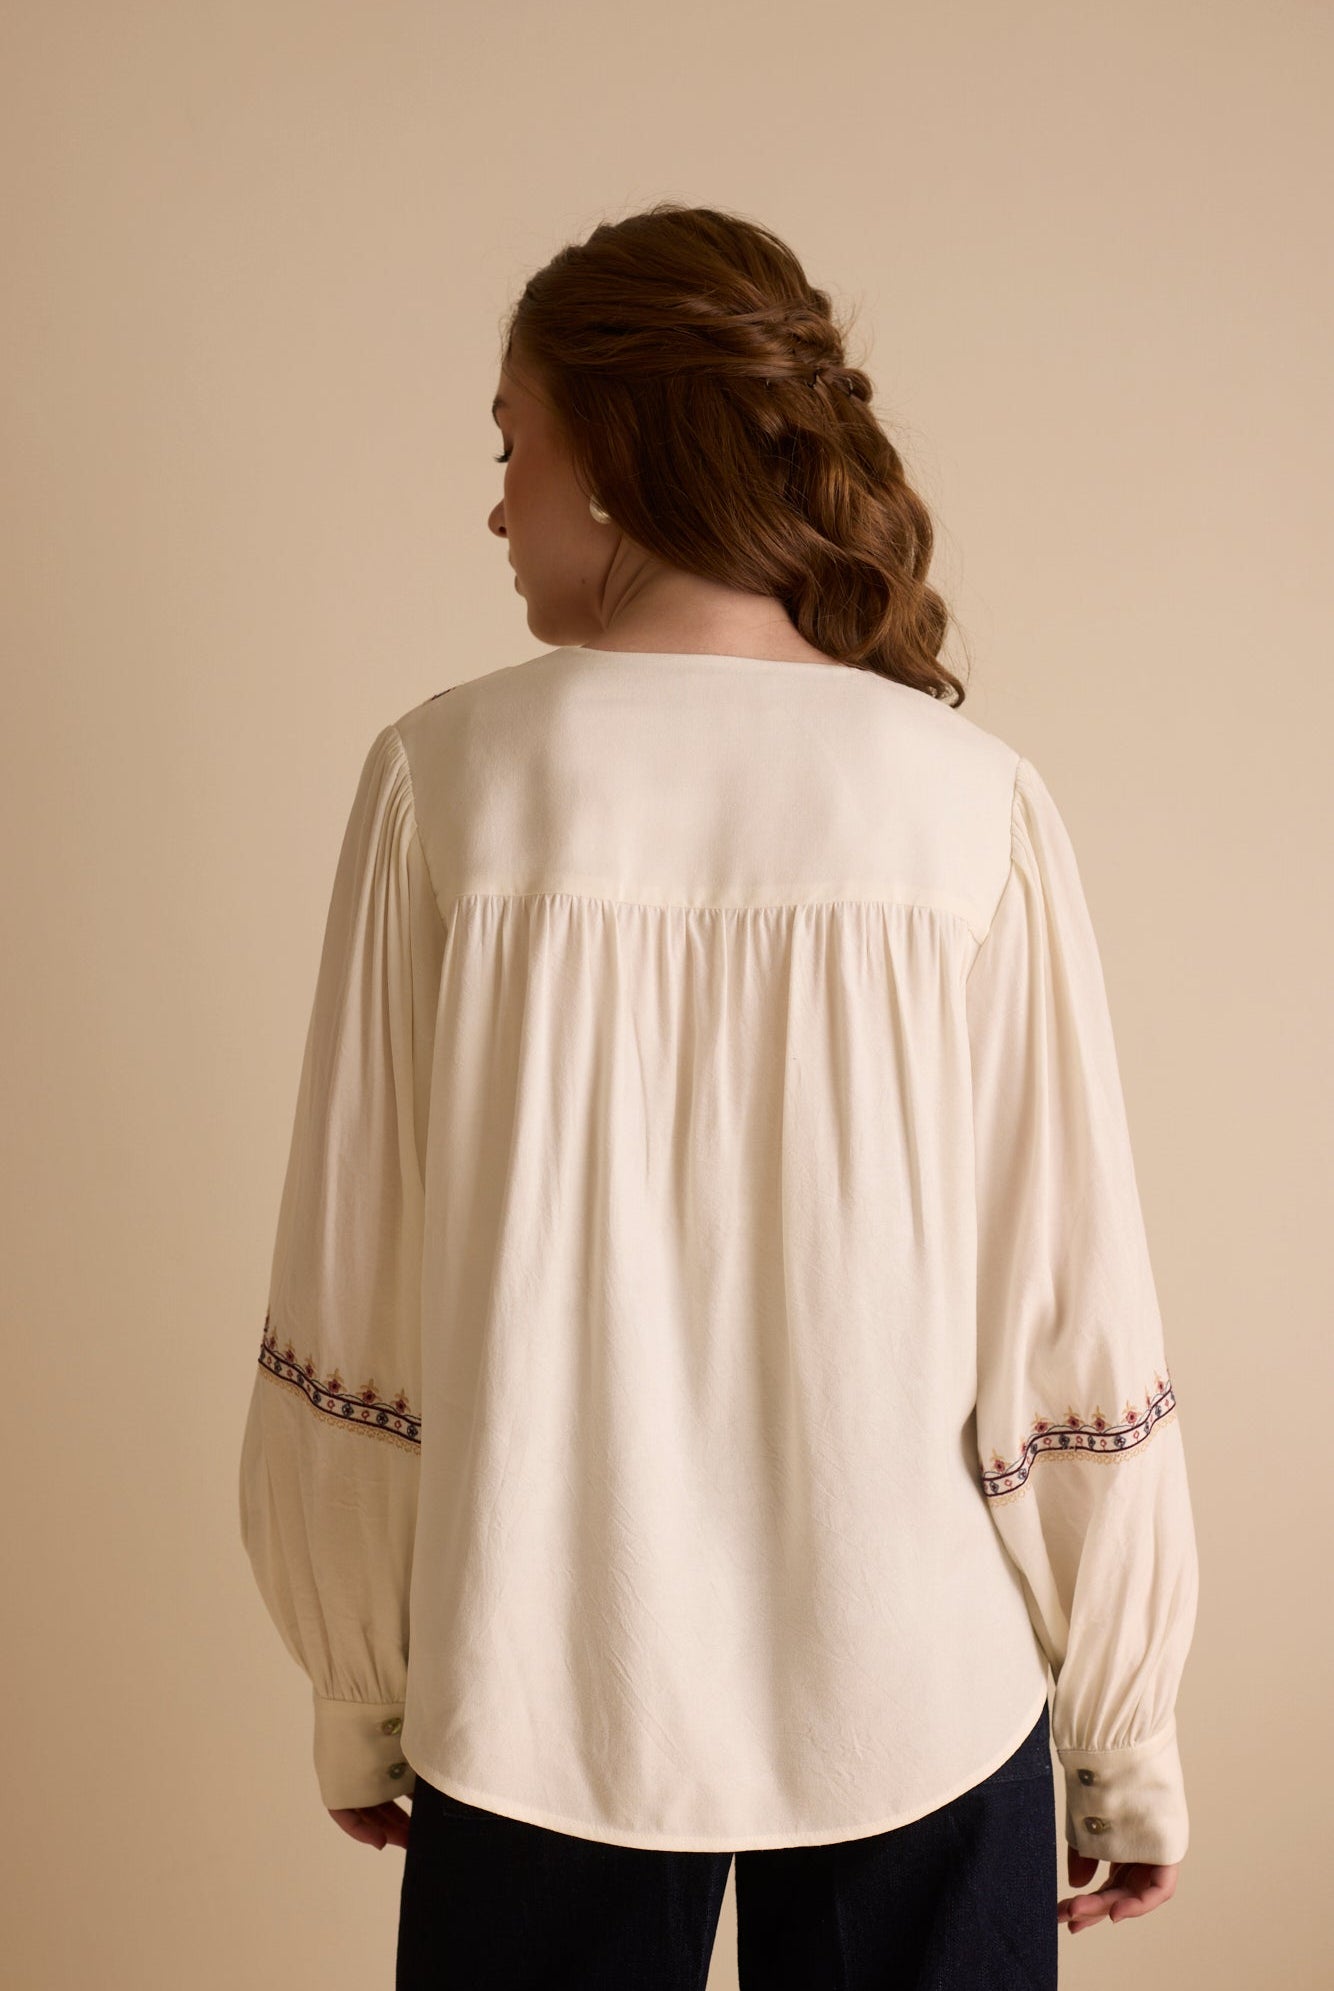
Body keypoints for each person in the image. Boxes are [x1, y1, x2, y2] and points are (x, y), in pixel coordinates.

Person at [238, 203, 1200, 1990]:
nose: (495, 505)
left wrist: (359, 1680)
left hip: (535, 1693)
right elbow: (1065, 1298)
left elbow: (357, 1278)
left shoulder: (448, 781)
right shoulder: (968, 799)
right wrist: (1123, 1727)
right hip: (924, 1697)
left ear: (609, 454)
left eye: (509, 446)